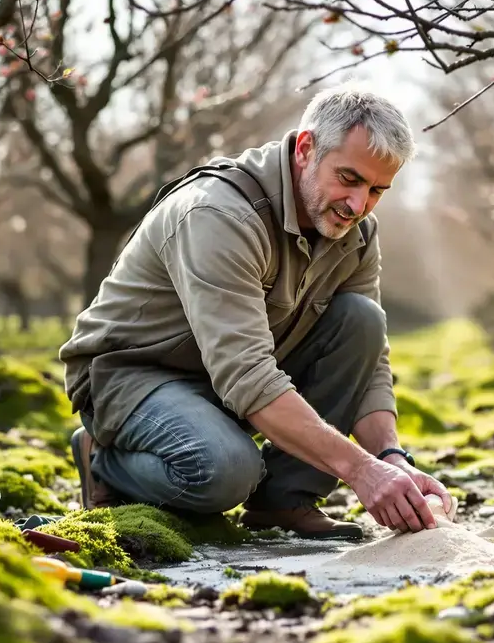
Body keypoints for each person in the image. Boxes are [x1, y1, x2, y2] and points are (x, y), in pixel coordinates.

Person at [58, 82, 453, 540]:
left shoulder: (357, 232)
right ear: (305, 148)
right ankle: (104, 461)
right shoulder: (220, 215)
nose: (358, 205)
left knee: (361, 319)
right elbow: (247, 376)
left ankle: (283, 502)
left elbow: (369, 362)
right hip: (132, 374)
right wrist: (361, 473)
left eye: (377, 190)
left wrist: (391, 459)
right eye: (349, 178)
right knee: (224, 470)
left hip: (227, 379)